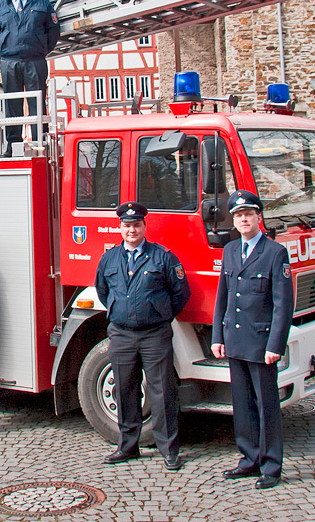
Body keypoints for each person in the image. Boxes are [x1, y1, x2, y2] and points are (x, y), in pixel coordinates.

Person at [94, 201, 191, 472]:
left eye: (136, 225)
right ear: (120, 228)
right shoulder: (109, 258)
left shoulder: (162, 257)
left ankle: (169, 450)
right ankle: (127, 446)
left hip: (154, 335)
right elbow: (103, 290)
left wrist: (160, 315)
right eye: (127, 225)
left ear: (144, 227)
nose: (132, 230)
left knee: (162, 393)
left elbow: (180, 293)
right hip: (122, 335)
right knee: (125, 390)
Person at [211, 190, 293, 490]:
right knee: (242, 405)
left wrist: (275, 345)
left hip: (260, 343)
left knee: (266, 406)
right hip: (234, 340)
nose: (243, 219)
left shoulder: (274, 253)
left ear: (259, 217)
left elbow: (283, 304)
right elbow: (223, 297)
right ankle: (248, 459)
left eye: (248, 214)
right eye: (238, 215)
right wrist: (217, 336)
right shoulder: (231, 250)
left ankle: (271, 466)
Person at [0, 0, 60, 152]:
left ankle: (40, 143)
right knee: (13, 104)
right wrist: (6, 49)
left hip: (35, 60)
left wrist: (40, 49)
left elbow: (53, 32)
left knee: (37, 103)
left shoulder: (42, 3)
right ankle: (13, 145)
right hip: (10, 62)